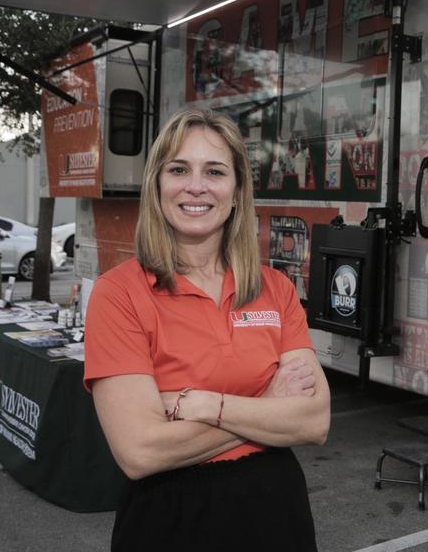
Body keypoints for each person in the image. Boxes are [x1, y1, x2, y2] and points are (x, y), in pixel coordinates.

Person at [84, 108, 330, 551]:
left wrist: (203, 404)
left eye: (214, 171)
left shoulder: (275, 288)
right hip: (171, 518)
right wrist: (267, 406)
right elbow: (141, 452)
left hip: (277, 512)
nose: (196, 186)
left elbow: (314, 421)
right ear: (157, 185)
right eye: (179, 169)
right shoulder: (118, 294)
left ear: (237, 191)